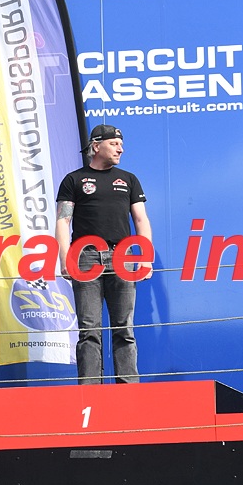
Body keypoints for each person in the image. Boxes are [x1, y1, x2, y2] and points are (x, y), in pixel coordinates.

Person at [55, 124, 153, 385]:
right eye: (114, 144)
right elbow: (63, 221)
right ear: (96, 146)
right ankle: (90, 392)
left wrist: (145, 257)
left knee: (124, 328)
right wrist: (65, 258)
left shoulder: (129, 179)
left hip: (122, 257)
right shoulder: (74, 180)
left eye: (121, 143)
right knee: (89, 330)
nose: (121, 149)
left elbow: (141, 220)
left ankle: (128, 390)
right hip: (85, 257)